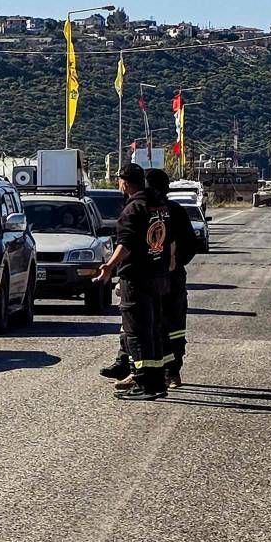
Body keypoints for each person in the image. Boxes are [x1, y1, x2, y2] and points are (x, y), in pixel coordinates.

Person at [92, 163, 170, 400]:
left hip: (137, 277)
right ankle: (157, 381)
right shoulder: (158, 206)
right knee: (152, 329)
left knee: (136, 332)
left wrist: (108, 267)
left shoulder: (133, 209)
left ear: (124, 183)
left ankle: (145, 383)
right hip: (157, 273)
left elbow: (125, 244)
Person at [151, 165, 197, 384]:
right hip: (173, 276)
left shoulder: (149, 210)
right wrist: (177, 264)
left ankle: (163, 371)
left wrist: (174, 264)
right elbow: (191, 244)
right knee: (174, 325)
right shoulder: (176, 210)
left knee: (156, 324)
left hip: (156, 278)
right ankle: (172, 371)